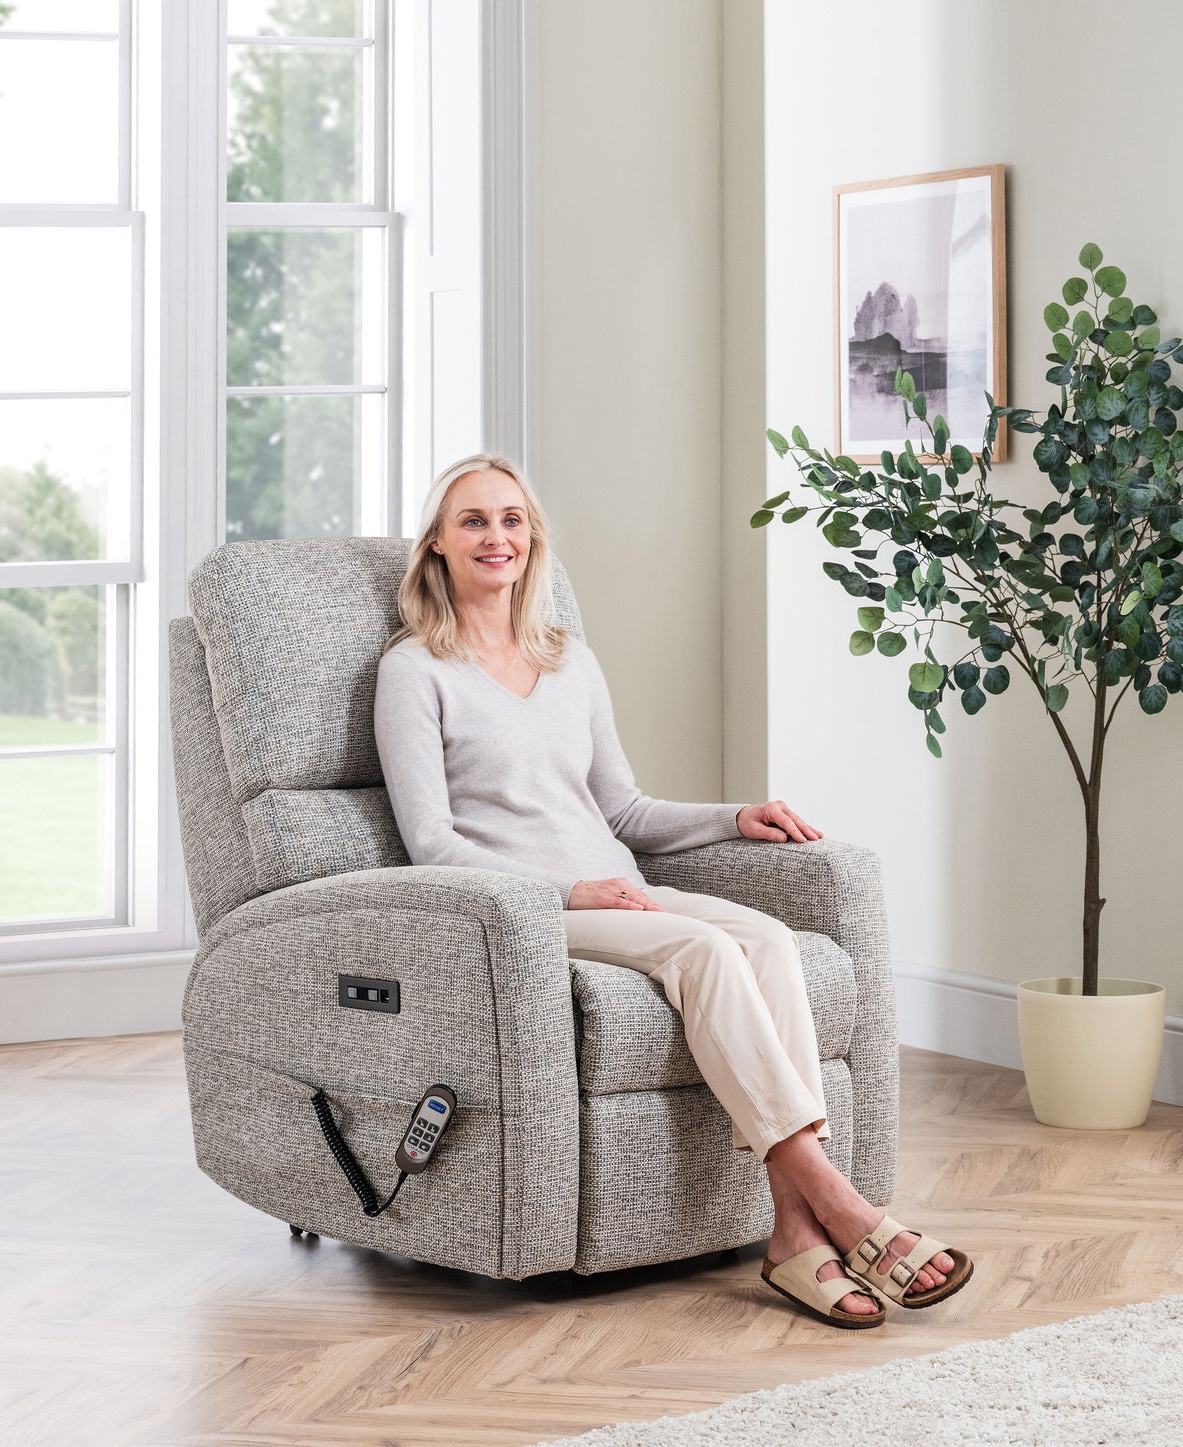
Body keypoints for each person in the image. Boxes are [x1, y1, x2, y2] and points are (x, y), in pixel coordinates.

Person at [372, 451, 973, 1328]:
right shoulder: (413, 669)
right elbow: (431, 844)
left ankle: (793, 1239)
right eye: (472, 520)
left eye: (511, 519)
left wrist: (738, 816)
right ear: (435, 544)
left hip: (615, 885)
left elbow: (624, 807)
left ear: (532, 537)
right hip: (526, 910)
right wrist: (570, 889)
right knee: (700, 948)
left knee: (764, 936)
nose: (495, 536)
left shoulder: (567, 659)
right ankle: (841, 1206)